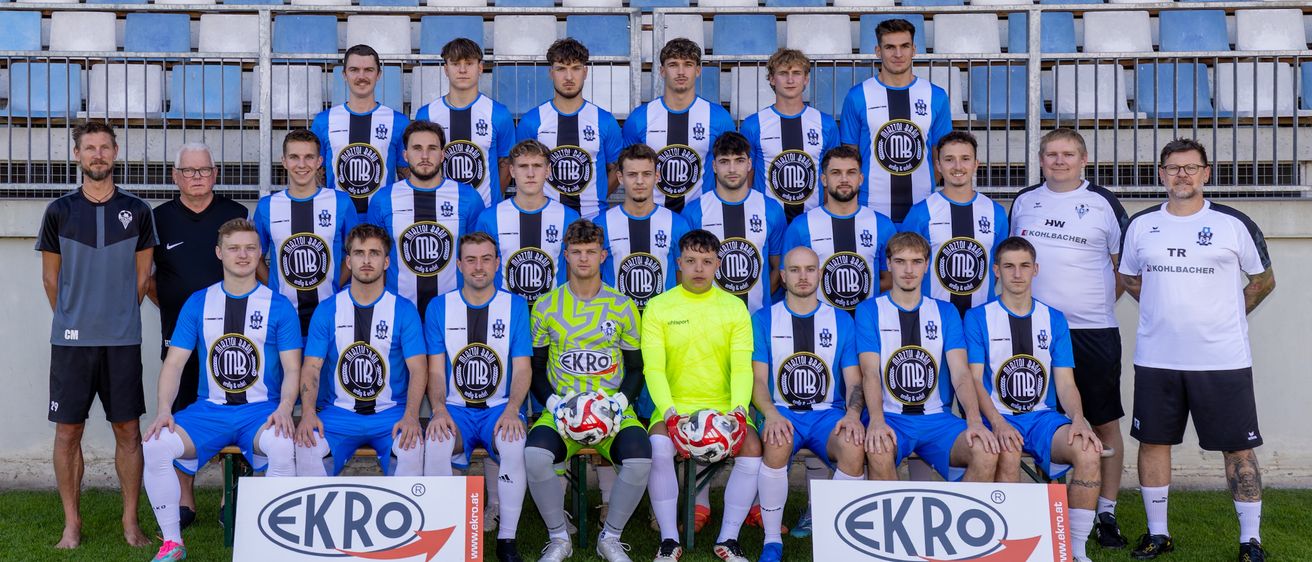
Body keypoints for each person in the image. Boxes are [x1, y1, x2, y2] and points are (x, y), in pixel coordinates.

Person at [1119, 139, 1275, 561]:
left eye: (1191, 167)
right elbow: (1129, 278)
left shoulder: (1233, 224)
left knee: (1238, 447)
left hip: (1221, 359)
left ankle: (1250, 540)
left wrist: (1227, 314)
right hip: (1157, 358)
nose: (1182, 175)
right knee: (1153, 442)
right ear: (1161, 174)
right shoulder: (1141, 225)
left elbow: (1263, 281)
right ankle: (1158, 534)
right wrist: (1162, 309)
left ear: (1206, 173)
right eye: (1173, 168)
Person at [140, 218, 302, 562]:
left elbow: (292, 368)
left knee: (282, 444)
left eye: (250, 248)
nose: (242, 255)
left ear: (260, 254)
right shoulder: (199, 302)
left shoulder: (279, 305)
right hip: (209, 411)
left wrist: (286, 408)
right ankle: (173, 543)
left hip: (261, 412)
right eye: (234, 248)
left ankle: (275, 543)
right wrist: (164, 410)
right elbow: (174, 363)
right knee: (155, 444)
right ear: (219, 253)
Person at [37, 121, 156, 549]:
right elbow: (51, 281)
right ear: (77, 155)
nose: (98, 155)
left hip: (122, 341)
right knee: (68, 432)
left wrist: (115, 317)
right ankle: (72, 524)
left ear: (116, 152)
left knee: (128, 431)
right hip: (71, 343)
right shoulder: (59, 211)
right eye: (90, 148)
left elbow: (143, 278)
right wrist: (76, 319)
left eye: (105, 147)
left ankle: (130, 522)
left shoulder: (138, 211)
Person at [1010, 128, 1131, 546]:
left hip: (1092, 330)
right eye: (1051, 154)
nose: (1059, 161)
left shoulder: (1103, 203)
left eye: (1068, 154)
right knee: (1045, 420)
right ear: (1041, 160)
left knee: (1103, 422)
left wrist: (1096, 304)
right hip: (1033, 332)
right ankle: (1054, 508)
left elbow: (1125, 268)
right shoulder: (1024, 201)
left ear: (1084, 160)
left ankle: (1106, 514)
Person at [966, 236, 1103, 562]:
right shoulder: (978, 317)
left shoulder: (1053, 318)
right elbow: (974, 381)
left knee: (1088, 450)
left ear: (1035, 269)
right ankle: (1004, 548)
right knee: (1009, 451)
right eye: (1009, 266)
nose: (1017, 274)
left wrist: (1078, 419)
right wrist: (997, 423)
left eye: (1024, 266)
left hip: (1043, 419)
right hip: (997, 416)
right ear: (996, 271)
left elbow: (1066, 383)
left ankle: (1075, 551)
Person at [524, 220, 650, 562]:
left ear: (603, 256)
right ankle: (558, 537)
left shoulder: (623, 305)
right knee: (534, 456)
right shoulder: (546, 305)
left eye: (591, 252)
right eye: (576, 252)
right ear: (565, 255)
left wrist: (619, 402)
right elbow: (536, 367)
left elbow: (636, 367)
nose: (583, 259)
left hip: (612, 411)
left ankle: (610, 537)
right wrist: (554, 403)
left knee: (640, 458)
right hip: (562, 411)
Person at [643, 229, 760, 562]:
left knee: (752, 450)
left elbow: (742, 368)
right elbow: (654, 369)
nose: (698, 268)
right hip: (676, 407)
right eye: (691, 261)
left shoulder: (735, 308)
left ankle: (728, 539)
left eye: (707, 262)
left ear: (718, 264)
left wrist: (739, 412)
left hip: (725, 406)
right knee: (659, 447)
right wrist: (669, 414)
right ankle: (669, 539)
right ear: (679, 263)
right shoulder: (658, 307)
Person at [148, 142, 247, 528]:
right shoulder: (158, 219)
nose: (197, 177)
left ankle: (228, 497)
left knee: (233, 410)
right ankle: (185, 498)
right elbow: (148, 279)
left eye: (204, 170)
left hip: (232, 341)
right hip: (180, 337)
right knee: (181, 415)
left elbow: (248, 265)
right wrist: (183, 311)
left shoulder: (235, 213)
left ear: (215, 174)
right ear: (175, 176)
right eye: (188, 171)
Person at [422, 232, 533, 562]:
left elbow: (522, 368)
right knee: (437, 442)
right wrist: (438, 409)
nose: (479, 266)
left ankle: (507, 540)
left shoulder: (514, 306)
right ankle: (445, 534)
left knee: (513, 443)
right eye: (471, 259)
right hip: (455, 409)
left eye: (486, 259)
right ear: (459, 265)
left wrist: (513, 408)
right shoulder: (439, 307)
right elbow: (435, 371)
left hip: (498, 407)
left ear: (497, 263)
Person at [855, 231, 999, 484]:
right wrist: (876, 420)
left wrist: (975, 421)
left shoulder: (946, 311)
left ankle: (956, 510)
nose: (908, 270)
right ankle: (896, 512)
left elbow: (960, 373)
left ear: (927, 265)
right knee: (878, 450)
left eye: (916, 261)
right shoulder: (869, 310)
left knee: (985, 451)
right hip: (891, 416)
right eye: (900, 261)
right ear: (888, 264)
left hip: (937, 420)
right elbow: (870, 373)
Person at [752, 246, 866, 562]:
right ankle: (772, 540)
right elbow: (757, 380)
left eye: (810, 269)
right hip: (782, 410)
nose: (803, 276)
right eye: (795, 270)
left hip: (827, 413)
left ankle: (833, 531)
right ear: (783, 275)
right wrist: (770, 414)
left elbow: (854, 381)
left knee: (853, 445)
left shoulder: (841, 320)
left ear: (820, 274)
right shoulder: (764, 319)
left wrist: (853, 415)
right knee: (777, 441)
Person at [293, 224, 427, 477]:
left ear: (386, 262)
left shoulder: (403, 310)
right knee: (306, 445)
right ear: (348, 261)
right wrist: (308, 413)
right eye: (359, 253)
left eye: (374, 253)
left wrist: (411, 415)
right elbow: (311, 368)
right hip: (339, 414)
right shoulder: (328, 309)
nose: (366, 260)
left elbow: (418, 369)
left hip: (390, 413)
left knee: (411, 447)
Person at [368, 121, 485, 317]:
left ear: (442, 154)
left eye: (432, 148)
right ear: (405, 155)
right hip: (399, 314)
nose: (424, 156)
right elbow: (374, 259)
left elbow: (479, 256)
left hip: (454, 313)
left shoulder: (468, 198)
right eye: (417, 148)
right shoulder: (383, 200)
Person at [840, 18, 951, 224]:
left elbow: (942, 156)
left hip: (922, 207)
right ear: (878, 51)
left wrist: (926, 184)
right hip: (870, 208)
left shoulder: (935, 96)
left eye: (904, 46)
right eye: (890, 47)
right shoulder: (858, 96)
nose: (898, 54)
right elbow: (850, 155)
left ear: (914, 50)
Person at [253, 129, 359, 339]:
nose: (301, 164)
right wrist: (274, 288)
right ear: (284, 161)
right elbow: (254, 256)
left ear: (319, 161)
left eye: (309, 157)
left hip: (331, 314)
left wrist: (335, 282)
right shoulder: (267, 206)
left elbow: (356, 253)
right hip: (284, 317)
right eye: (294, 157)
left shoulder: (341, 202)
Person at [900, 131, 1008, 317]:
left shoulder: (995, 213)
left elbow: (999, 267)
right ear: (938, 165)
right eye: (949, 159)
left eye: (965, 159)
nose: (958, 166)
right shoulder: (921, 212)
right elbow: (904, 269)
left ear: (976, 164)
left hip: (981, 319)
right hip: (932, 319)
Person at [623, 38, 736, 213]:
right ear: (662, 71)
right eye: (673, 65)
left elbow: (732, 169)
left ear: (698, 70)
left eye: (688, 64)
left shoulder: (718, 118)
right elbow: (626, 169)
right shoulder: (639, 119)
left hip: (702, 217)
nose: (681, 72)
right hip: (654, 218)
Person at [517, 38, 624, 219]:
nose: (568, 77)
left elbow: (617, 167)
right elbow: (521, 169)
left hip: (593, 220)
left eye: (575, 68)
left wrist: (597, 196)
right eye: (561, 69)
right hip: (547, 220)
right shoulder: (532, 121)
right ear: (551, 73)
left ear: (585, 72)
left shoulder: (604, 121)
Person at [683, 131, 787, 315]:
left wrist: (760, 306)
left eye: (739, 160)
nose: (732, 169)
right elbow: (686, 271)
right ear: (714, 166)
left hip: (755, 318)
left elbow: (779, 267)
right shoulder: (694, 211)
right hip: (709, 318)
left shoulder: (770, 209)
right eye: (724, 161)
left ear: (749, 164)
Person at [783, 145, 895, 312]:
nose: (844, 179)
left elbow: (891, 278)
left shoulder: (883, 226)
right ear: (824, 179)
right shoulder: (801, 226)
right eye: (836, 173)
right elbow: (787, 278)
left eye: (851, 172)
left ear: (861, 179)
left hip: (866, 322)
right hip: (820, 323)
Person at [739, 48, 840, 224]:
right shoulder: (753, 125)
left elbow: (832, 176)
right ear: (772, 79)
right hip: (768, 222)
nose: (790, 80)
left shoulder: (826, 124)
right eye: (783, 73)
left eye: (796, 73)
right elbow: (746, 177)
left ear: (806, 78)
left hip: (813, 222)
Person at [475, 140, 581, 307]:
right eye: (523, 166)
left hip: (553, 314)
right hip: (504, 314)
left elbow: (574, 273)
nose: (530, 174)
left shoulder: (569, 218)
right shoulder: (489, 218)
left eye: (537, 166)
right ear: (512, 171)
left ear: (547, 170)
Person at [311, 44, 410, 220]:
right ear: (344, 74)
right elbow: (317, 174)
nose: (361, 76)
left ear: (378, 75)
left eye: (368, 70)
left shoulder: (399, 122)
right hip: (337, 220)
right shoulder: (323, 121)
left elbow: (406, 176)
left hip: (381, 221)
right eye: (354, 70)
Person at [414, 37, 515, 207]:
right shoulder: (427, 114)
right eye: (455, 64)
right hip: (442, 210)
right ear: (446, 69)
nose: (462, 70)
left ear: (480, 68)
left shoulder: (498, 114)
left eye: (469, 63)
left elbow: (505, 165)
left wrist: (488, 204)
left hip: (485, 211)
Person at [596, 143, 691, 312]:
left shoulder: (677, 224)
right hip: (616, 320)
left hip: (663, 321)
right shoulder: (601, 225)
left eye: (646, 174)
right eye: (632, 174)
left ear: (656, 176)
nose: (639, 181)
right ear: (620, 178)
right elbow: (594, 279)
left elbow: (682, 280)